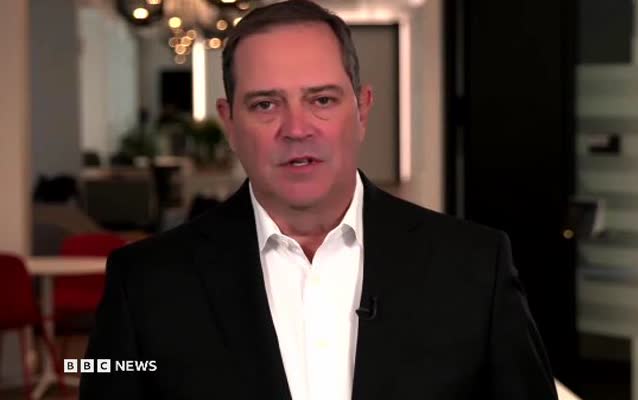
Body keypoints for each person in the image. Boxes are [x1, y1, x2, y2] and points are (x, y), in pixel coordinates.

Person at [80, 1, 558, 399]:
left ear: (362, 109)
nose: (296, 129)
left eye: (322, 100)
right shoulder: (145, 284)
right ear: (229, 123)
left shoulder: (475, 267)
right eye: (266, 104)